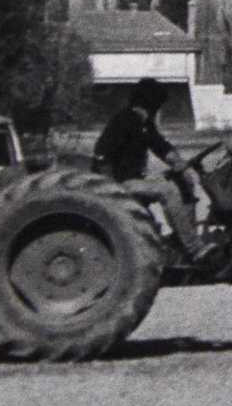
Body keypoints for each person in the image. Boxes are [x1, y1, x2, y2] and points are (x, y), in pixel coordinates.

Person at [92, 78, 215, 265]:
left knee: (182, 182)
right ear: (152, 103)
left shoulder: (144, 123)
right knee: (167, 190)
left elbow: (160, 146)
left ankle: (179, 241)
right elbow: (102, 155)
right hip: (121, 183)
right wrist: (112, 190)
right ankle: (194, 248)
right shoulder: (124, 120)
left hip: (136, 179)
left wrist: (181, 165)